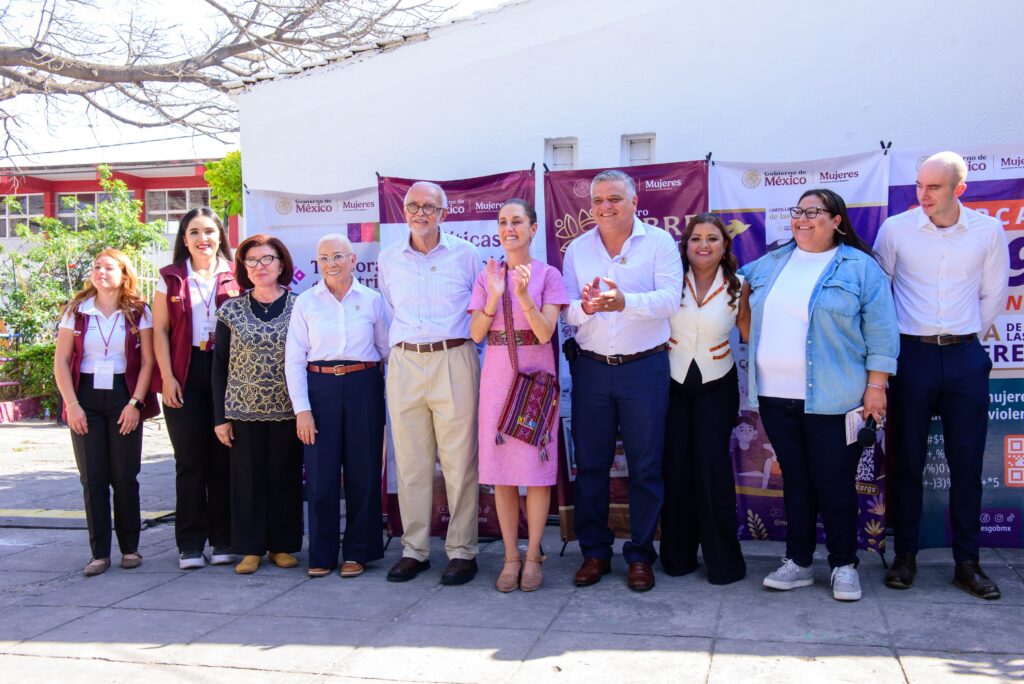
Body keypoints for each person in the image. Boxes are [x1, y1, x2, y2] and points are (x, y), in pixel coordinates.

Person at [740, 188, 898, 602]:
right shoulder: (770, 263)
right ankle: (799, 562)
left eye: (814, 212)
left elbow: (882, 332)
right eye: (798, 211)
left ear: (836, 221)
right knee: (795, 481)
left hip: (835, 398)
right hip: (775, 396)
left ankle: (844, 565)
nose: (803, 219)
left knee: (834, 483)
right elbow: (734, 290)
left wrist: (876, 386)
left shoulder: (860, 268)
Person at [874, 151, 1010, 600]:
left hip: (965, 357)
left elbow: (994, 294)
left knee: (967, 465)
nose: (923, 194)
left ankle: (968, 564)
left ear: (959, 189)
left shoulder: (988, 231)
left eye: (934, 187)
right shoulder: (896, 229)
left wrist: (962, 334)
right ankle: (905, 556)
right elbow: (880, 293)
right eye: (919, 185)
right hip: (910, 357)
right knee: (907, 461)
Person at [562, 169, 683, 592]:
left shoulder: (659, 243)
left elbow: (670, 300)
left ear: (634, 202)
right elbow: (567, 310)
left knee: (645, 467)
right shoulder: (578, 249)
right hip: (592, 369)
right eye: (597, 200)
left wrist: (623, 301)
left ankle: (641, 554)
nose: (605, 206)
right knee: (590, 466)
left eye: (614, 198)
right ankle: (594, 552)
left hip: (643, 370)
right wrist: (587, 307)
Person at [378, 181, 482, 585]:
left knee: (459, 462)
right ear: (403, 211)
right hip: (405, 361)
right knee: (410, 462)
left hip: (453, 357)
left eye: (429, 207)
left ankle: (462, 551)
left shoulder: (466, 254)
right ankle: (414, 550)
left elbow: (480, 309)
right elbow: (391, 308)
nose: (419, 213)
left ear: (444, 213)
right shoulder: (389, 259)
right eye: (412, 206)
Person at [468, 199, 568, 592]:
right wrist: (495, 295)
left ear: (533, 228)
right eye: (502, 222)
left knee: (536, 474)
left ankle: (533, 556)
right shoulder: (487, 275)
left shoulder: (549, 274)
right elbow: (476, 334)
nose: (509, 228)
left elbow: (544, 333)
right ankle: (511, 556)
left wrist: (524, 294)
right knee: (504, 475)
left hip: (535, 383)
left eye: (517, 221)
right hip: (497, 379)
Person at [286, 234, 389, 578]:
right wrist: (302, 409)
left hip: (364, 386)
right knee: (321, 475)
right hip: (320, 390)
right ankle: (322, 553)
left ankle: (359, 552)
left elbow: (386, 351)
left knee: (364, 472)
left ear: (353, 259)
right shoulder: (306, 303)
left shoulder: (373, 300)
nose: (331, 264)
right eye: (324, 258)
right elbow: (294, 359)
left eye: (338, 256)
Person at [54, 249, 158, 576]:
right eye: (96, 267)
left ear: (124, 274)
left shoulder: (138, 311)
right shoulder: (77, 311)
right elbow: (61, 362)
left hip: (124, 395)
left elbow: (148, 361)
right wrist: (72, 405)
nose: (100, 272)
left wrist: (136, 403)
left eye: (109, 267)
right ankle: (99, 554)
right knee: (93, 478)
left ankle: (130, 549)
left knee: (125, 476)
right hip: (85, 396)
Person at [661, 213, 749, 585]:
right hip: (671, 383)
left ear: (724, 246)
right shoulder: (668, 280)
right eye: (696, 238)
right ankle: (677, 557)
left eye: (712, 238)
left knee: (712, 470)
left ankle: (723, 562)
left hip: (717, 384)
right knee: (676, 468)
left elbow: (749, 332)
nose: (703, 245)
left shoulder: (739, 285)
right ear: (685, 245)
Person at [153, 208, 239, 569]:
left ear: (220, 236)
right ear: (184, 239)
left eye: (209, 231)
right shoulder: (170, 278)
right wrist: (167, 376)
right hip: (184, 373)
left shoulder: (237, 274)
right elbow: (159, 331)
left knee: (223, 459)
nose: (203, 238)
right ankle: (189, 544)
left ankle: (223, 539)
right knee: (189, 461)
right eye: (194, 232)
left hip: (228, 373)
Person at [212, 234, 303, 575]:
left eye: (267, 259)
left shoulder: (300, 306)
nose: (259, 266)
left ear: (281, 265)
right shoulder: (231, 310)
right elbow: (219, 366)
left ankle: (282, 545)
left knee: (284, 476)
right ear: (243, 267)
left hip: (288, 409)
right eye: (251, 260)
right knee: (247, 480)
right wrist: (220, 417)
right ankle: (250, 548)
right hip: (242, 410)